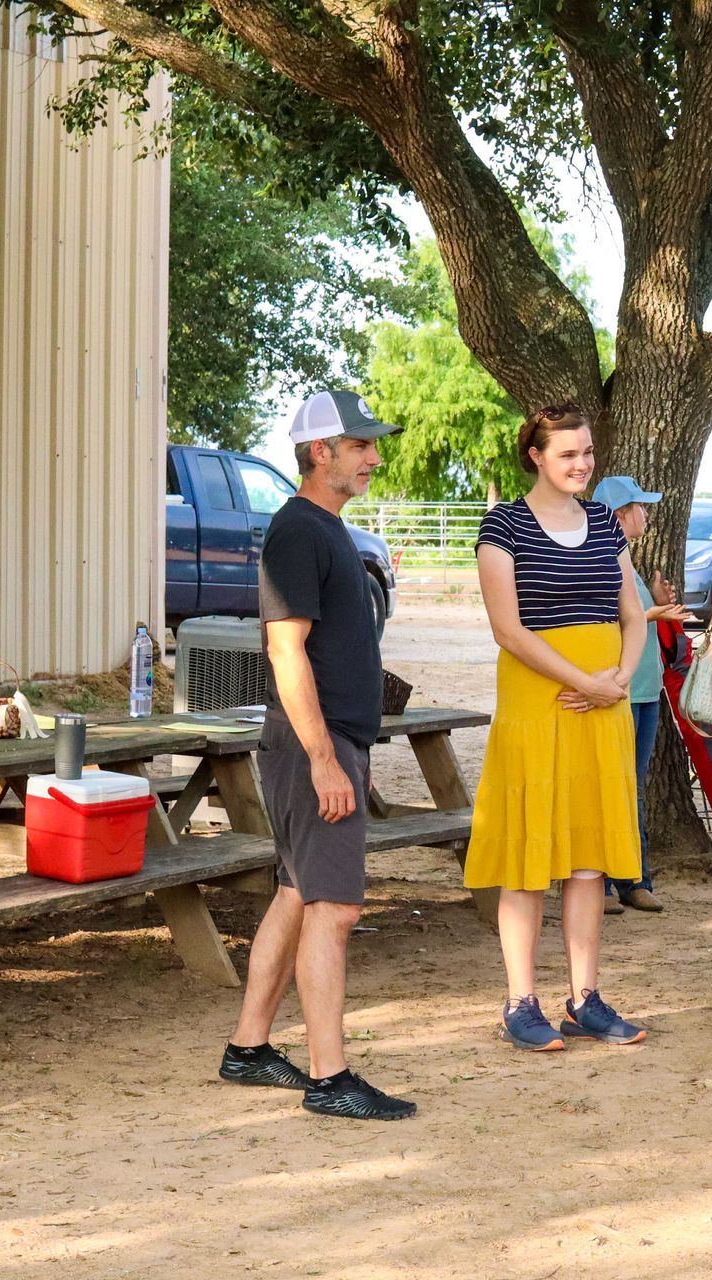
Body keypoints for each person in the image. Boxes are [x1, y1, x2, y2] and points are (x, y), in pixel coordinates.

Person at [219, 390, 415, 1121]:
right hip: (315, 746)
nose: (374, 457)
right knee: (335, 908)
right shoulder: (299, 530)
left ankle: (248, 1049)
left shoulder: (326, 528)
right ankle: (331, 1079)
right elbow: (285, 650)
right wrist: (325, 759)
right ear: (320, 451)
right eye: (360, 445)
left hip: (330, 741)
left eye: (373, 444)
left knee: (300, 893)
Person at [467, 404, 649, 1051]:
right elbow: (508, 629)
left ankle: (585, 999)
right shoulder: (504, 524)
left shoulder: (603, 522)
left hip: (602, 709)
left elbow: (634, 615)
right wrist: (583, 681)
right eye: (568, 453)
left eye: (587, 452)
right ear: (536, 456)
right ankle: (520, 1003)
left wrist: (618, 679)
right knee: (528, 856)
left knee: (589, 860)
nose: (582, 464)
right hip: (538, 707)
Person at [593, 475, 693, 913]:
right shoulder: (600, 558)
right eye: (639, 507)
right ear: (620, 513)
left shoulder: (625, 560)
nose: (646, 514)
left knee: (630, 787)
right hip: (622, 691)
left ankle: (631, 878)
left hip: (644, 692)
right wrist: (652, 612)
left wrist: (650, 603)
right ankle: (606, 882)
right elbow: (609, 621)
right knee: (611, 787)